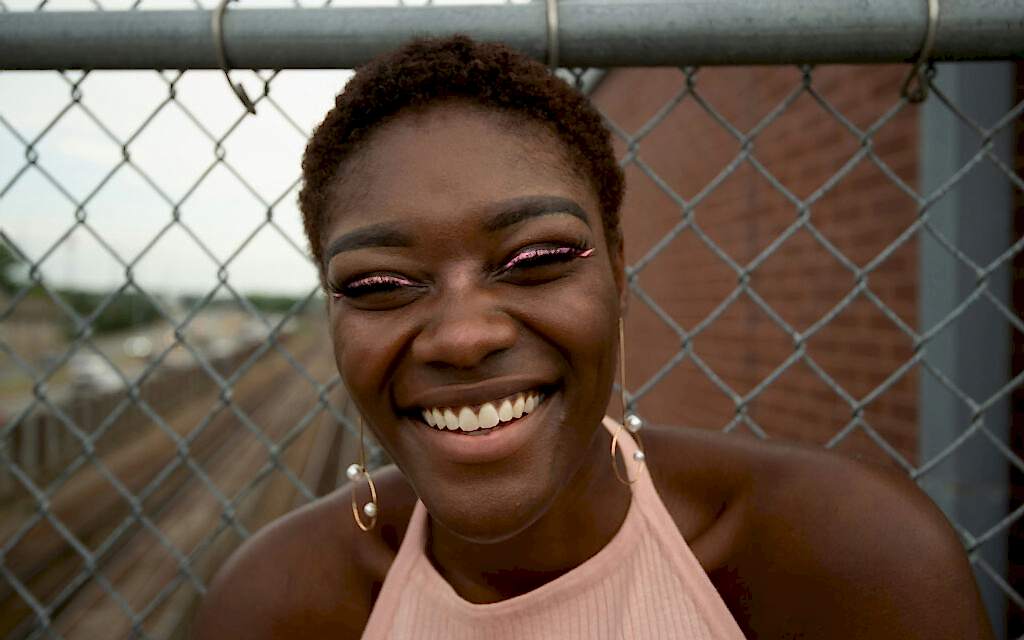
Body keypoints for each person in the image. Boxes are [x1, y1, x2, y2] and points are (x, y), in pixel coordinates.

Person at [193, 36, 992, 639]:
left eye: (535, 260)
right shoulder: (274, 605)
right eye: (377, 285)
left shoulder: (851, 566)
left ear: (616, 266)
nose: (465, 336)